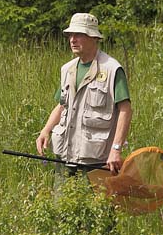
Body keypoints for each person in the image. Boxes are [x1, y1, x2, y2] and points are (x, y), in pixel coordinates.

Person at [35, 13, 132, 176]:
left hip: (97, 160)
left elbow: (125, 110)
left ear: (94, 37)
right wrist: (45, 130)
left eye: (79, 35)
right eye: (70, 35)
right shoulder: (67, 69)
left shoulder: (112, 69)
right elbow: (62, 105)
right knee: (62, 201)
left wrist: (116, 149)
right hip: (65, 156)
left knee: (98, 201)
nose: (72, 39)